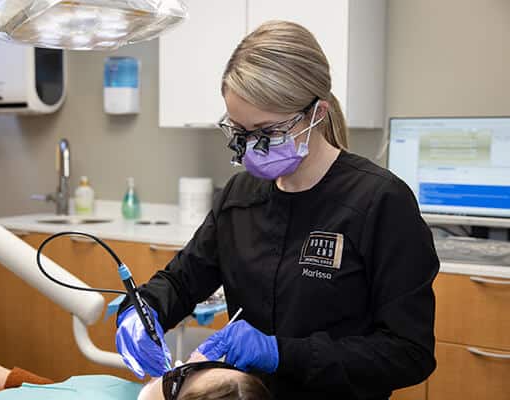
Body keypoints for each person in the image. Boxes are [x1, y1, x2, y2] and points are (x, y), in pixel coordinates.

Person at [115, 20, 440, 399]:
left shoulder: (381, 203)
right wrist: (143, 311)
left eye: (267, 133)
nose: (251, 148)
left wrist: (280, 353)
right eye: (240, 132)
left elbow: (409, 353)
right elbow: (182, 280)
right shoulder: (240, 195)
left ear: (316, 114)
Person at [0, 336, 270, 400]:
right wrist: (15, 380)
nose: (180, 364)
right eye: (200, 364)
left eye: (179, 379)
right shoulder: (137, 393)